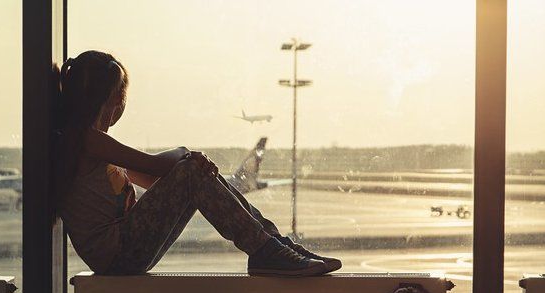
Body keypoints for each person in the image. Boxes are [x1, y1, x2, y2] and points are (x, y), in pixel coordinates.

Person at [54, 50, 342, 277]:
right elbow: (157, 167)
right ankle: (266, 248)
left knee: (194, 172)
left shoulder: (92, 145)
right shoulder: (88, 140)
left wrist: (189, 163)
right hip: (118, 253)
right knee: (193, 169)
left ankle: (272, 243)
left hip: (121, 253)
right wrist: (186, 155)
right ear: (114, 98)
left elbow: (161, 183)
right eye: (121, 93)